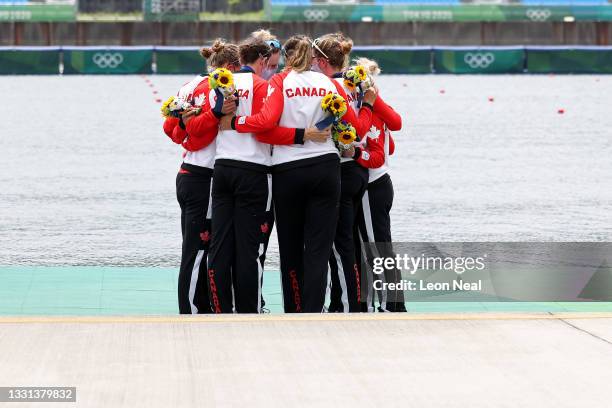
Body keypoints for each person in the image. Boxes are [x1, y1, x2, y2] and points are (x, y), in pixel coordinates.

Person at [219, 35, 374, 313]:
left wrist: (236, 122)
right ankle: (314, 310)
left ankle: (294, 310)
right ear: (313, 60)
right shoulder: (326, 83)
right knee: (318, 247)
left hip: (287, 172)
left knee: (291, 248)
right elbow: (355, 128)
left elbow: (265, 128)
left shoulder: (279, 82)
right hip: (325, 170)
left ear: (288, 59)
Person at [162, 39, 240, 314]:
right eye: (238, 69)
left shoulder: (188, 86)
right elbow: (195, 135)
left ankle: (201, 308)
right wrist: (215, 114)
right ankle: (192, 312)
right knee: (197, 252)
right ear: (230, 67)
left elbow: (170, 129)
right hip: (205, 176)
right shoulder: (215, 89)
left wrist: (185, 134)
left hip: (188, 173)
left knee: (196, 250)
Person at [309, 33, 384, 312]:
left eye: (314, 61)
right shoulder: (354, 83)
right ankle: (351, 303)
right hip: (356, 171)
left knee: (340, 246)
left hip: (343, 169)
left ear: (322, 61)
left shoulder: (332, 86)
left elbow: (359, 129)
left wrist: (365, 107)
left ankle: (349, 305)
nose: (312, 65)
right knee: (350, 243)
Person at [351, 57, 405, 312]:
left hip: (372, 187)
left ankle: (388, 306)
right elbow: (390, 146)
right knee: (376, 247)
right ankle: (391, 303)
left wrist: (354, 154)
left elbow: (380, 155)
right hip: (381, 184)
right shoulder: (373, 111)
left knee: (375, 249)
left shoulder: (371, 111)